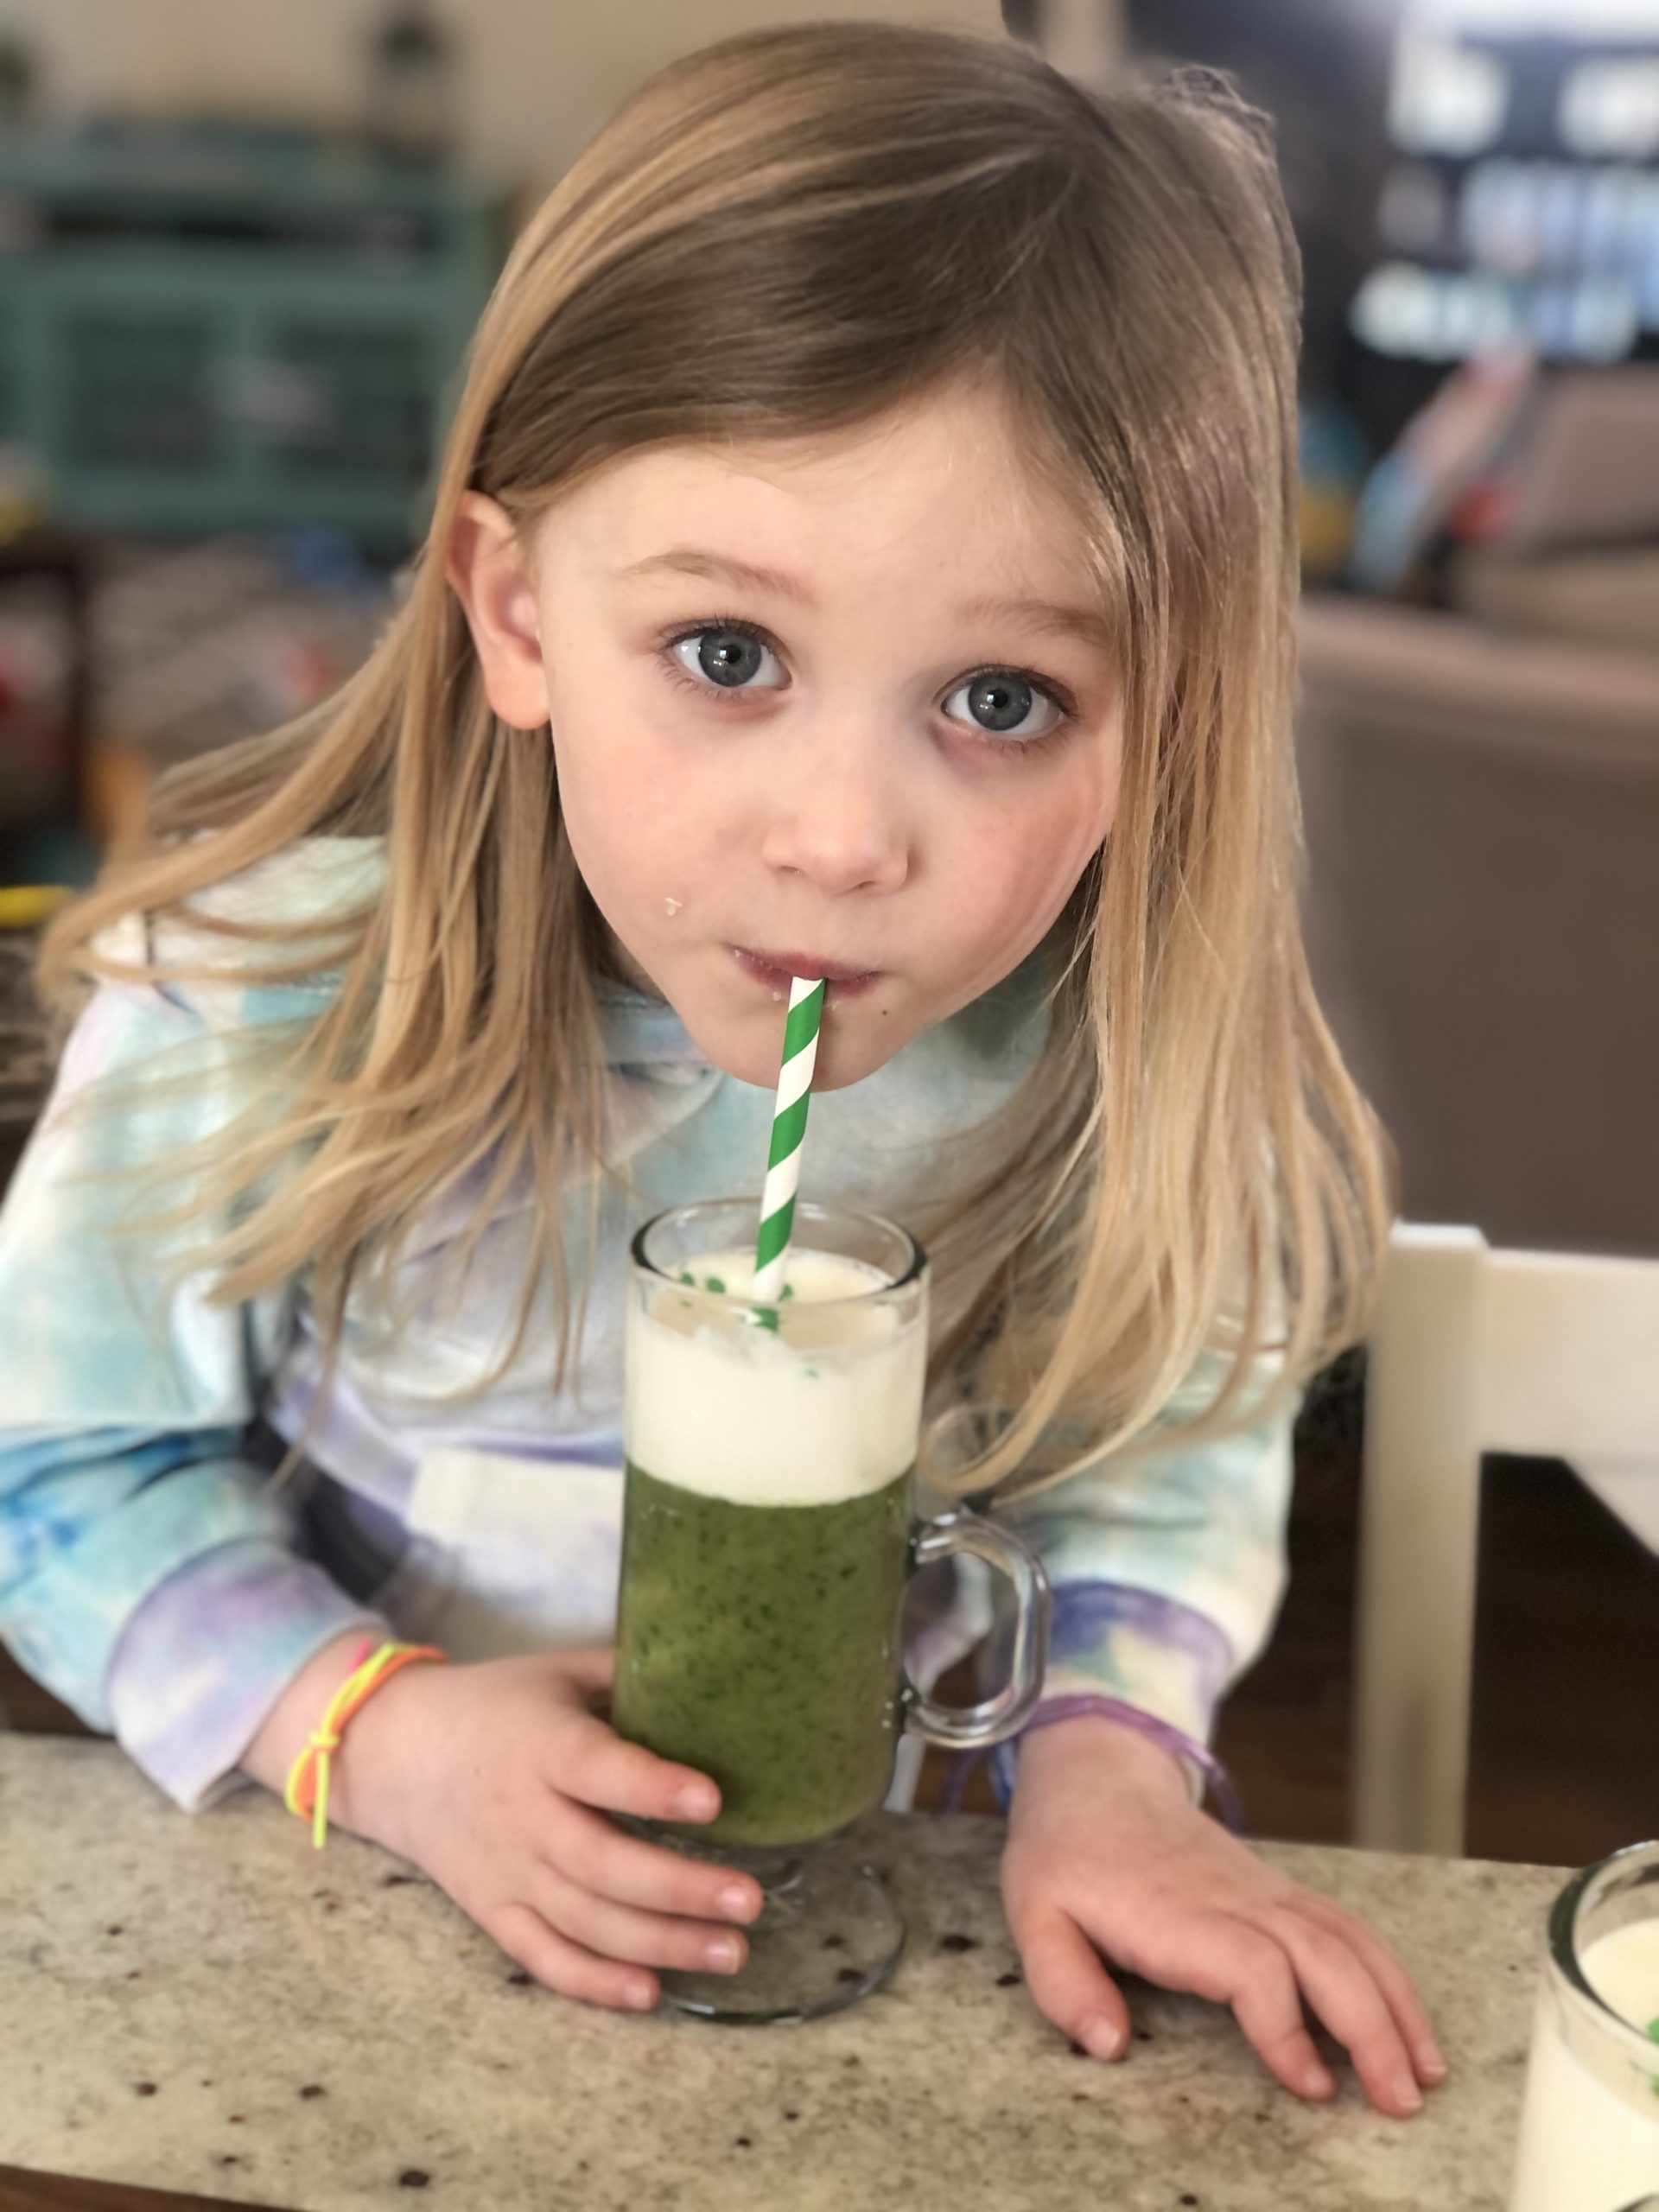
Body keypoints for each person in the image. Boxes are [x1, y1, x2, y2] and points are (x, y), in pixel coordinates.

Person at [0, 22, 1443, 2117]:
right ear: (513, 609)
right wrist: (379, 1726)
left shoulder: (1093, 1084)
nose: (846, 837)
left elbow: (1158, 1476)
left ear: (1168, 723)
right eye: (732, 655)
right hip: (336, 1959)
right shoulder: (261, 1011)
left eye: (1002, 695)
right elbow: (55, 1462)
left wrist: (1110, 1775)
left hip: (826, 2009)